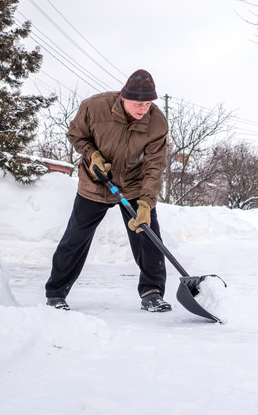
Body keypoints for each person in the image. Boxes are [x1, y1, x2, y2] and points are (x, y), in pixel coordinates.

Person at [45, 69, 171, 313]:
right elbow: (76, 134)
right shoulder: (95, 107)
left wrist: (145, 203)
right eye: (137, 103)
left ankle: (152, 292)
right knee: (75, 238)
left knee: (148, 236)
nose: (143, 108)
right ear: (124, 97)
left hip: (134, 185)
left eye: (147, 103)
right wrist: (93, 156)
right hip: (96, 181)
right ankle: (56, 293)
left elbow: (155, 166)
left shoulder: (157, 122)